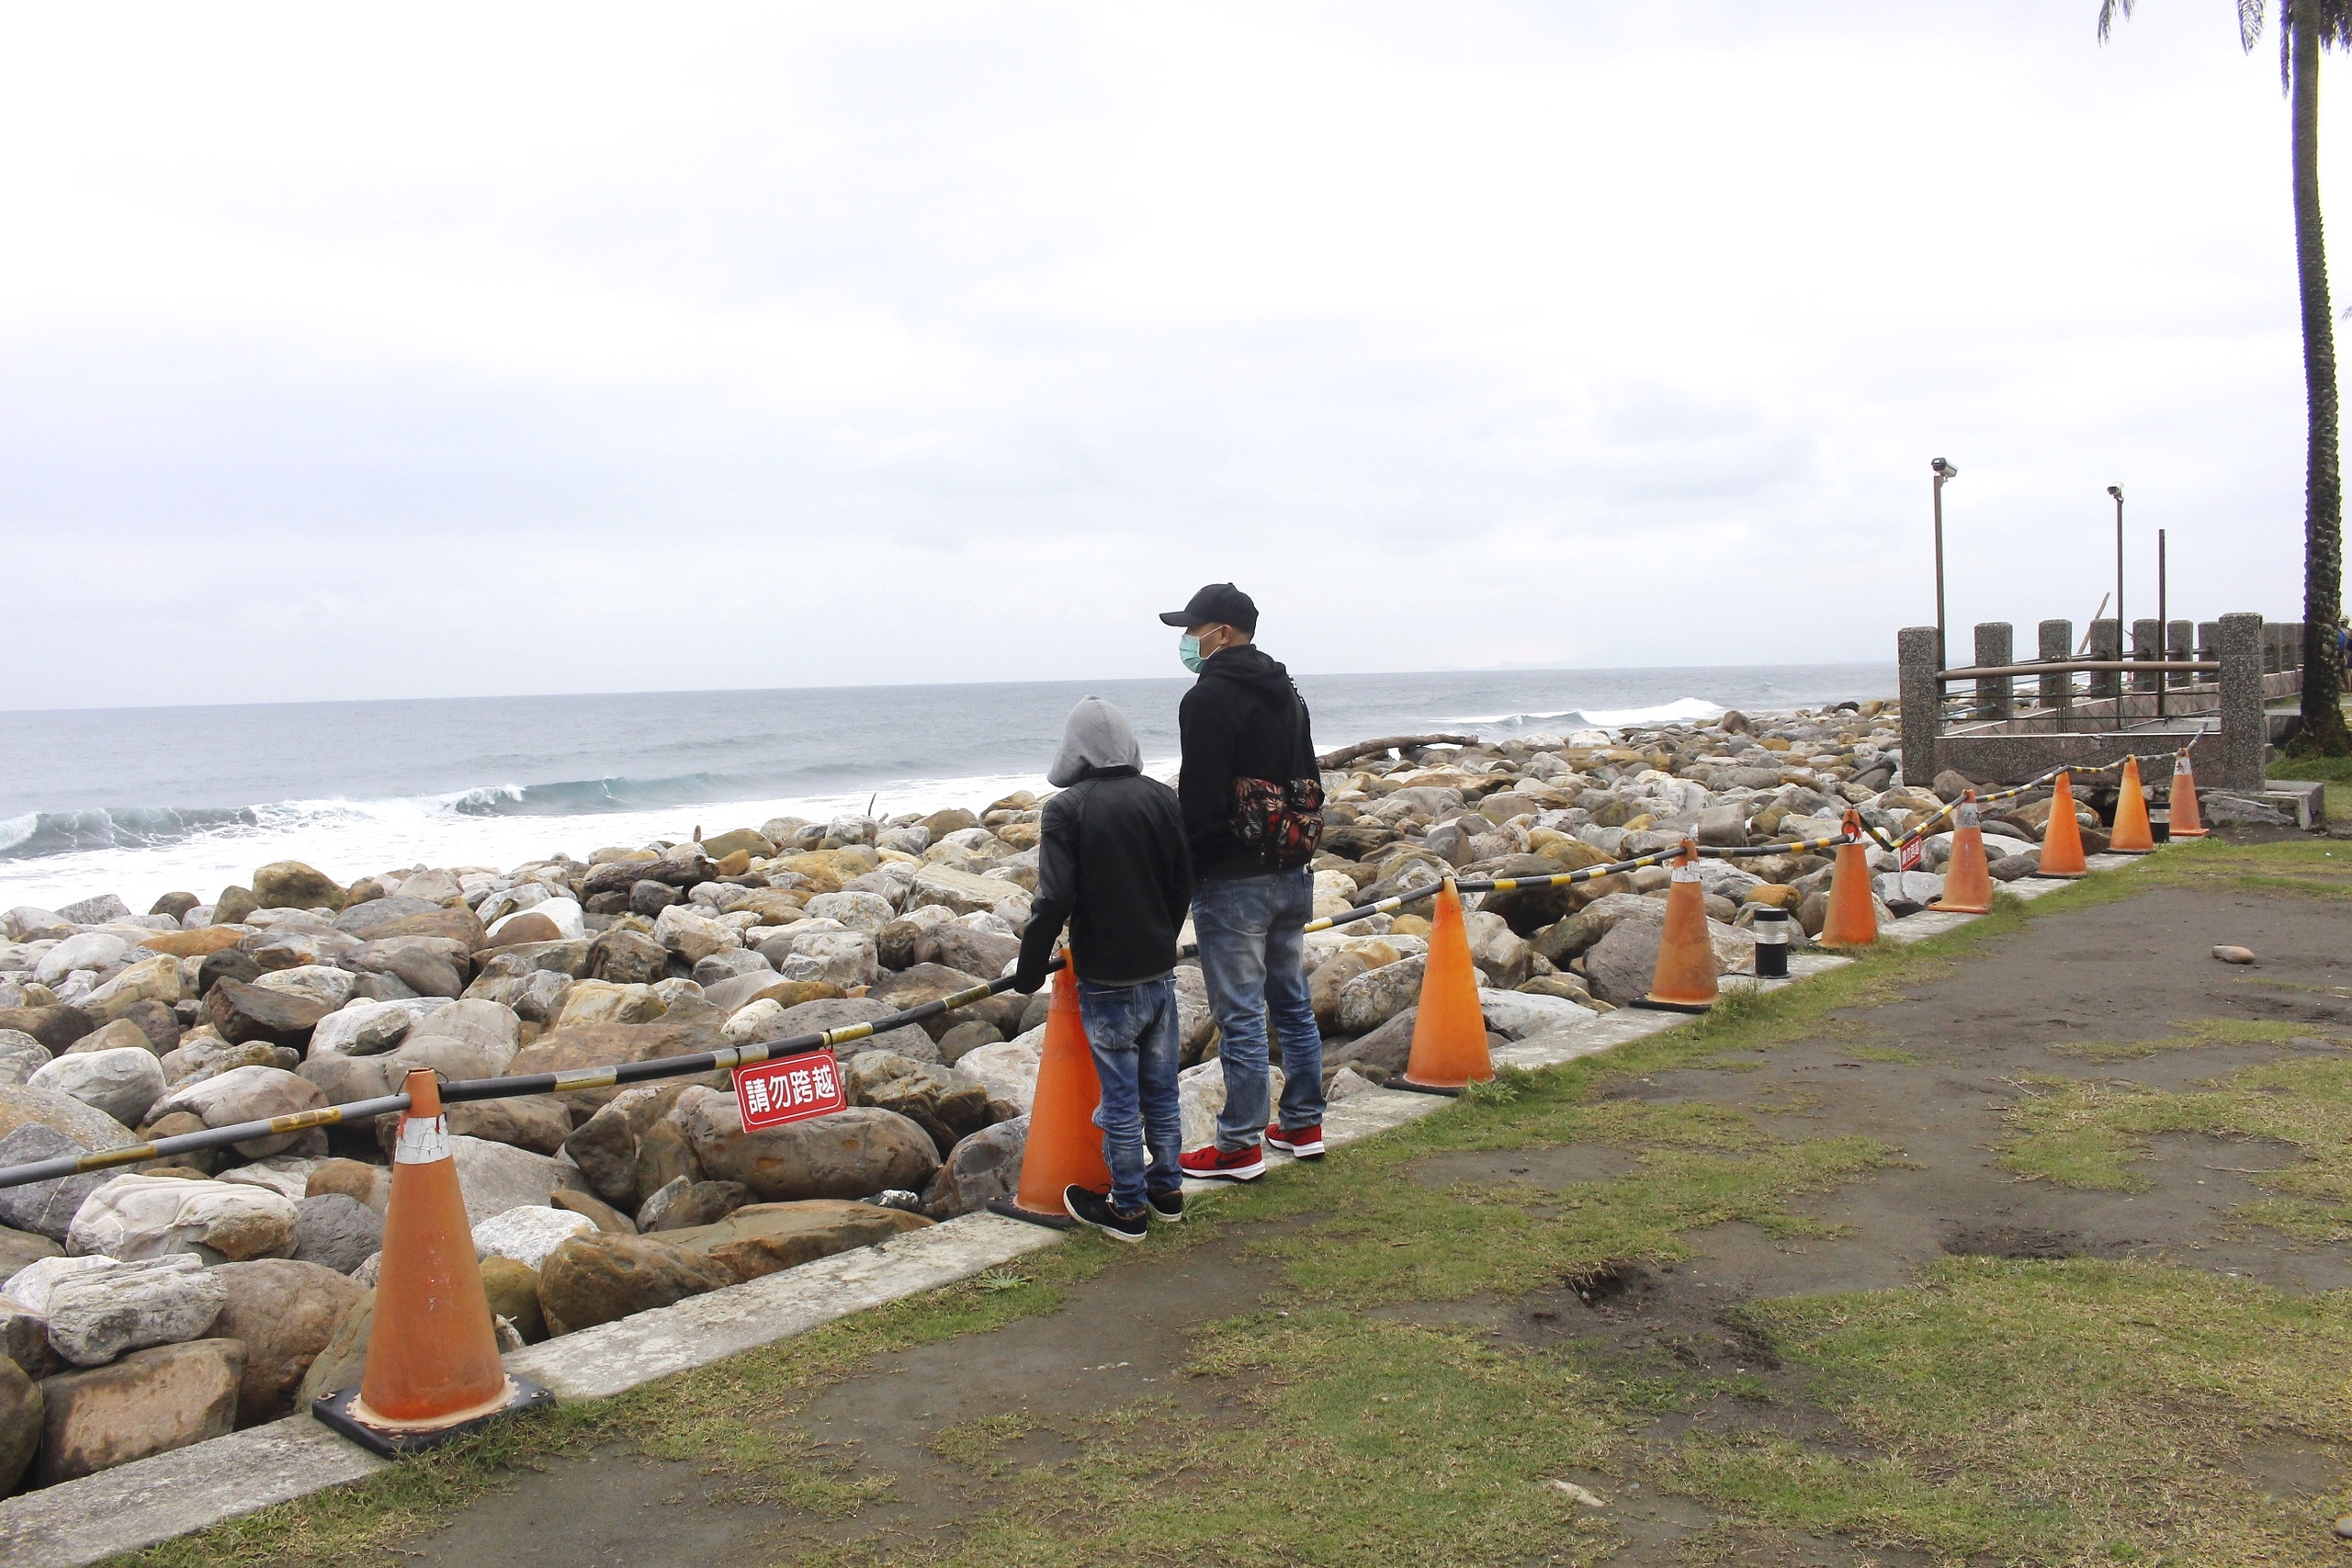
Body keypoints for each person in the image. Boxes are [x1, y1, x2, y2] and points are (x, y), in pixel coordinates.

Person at [1159, 582, 1328, 1182]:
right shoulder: (1289, 691)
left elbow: (1199, 800)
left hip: (1232, 880)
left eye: (1194, 628)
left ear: (1222, 633)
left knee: (1240, 1014)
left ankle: (1239, 1144)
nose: (1187, 640)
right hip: (1291, 866)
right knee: (1290, 998)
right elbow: (1307, 777)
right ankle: (1303, 1122)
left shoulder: (1206, 699)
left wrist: (1189, 872)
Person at [1012, 696, 1194, 1241]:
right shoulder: (1163, 798)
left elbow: (1053, 898)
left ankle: (1128, 1208)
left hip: (1107, 978)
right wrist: (1163, 932)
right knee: (1161, 1091)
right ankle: (1167, 1190)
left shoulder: (1067, 809)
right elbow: (1182, 880)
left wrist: (1029, 965)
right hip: (1159, 969)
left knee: (1118, 1098)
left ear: (1075, 749)